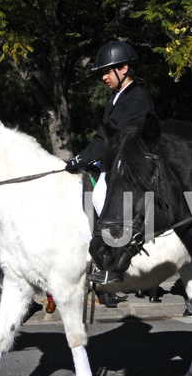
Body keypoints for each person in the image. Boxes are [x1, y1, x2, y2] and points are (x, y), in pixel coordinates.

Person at [64, 40, 155, 287]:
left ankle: (113, 261)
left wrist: (85, 157)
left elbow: (119, 138)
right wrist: (80, 158)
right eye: (102, 73)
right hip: (115, 161)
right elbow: (103, 137)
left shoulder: (137, 98)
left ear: (123, 69)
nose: (104, 77)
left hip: (134, 164)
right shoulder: (115, 99)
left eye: (107, 71)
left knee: (103, 193)